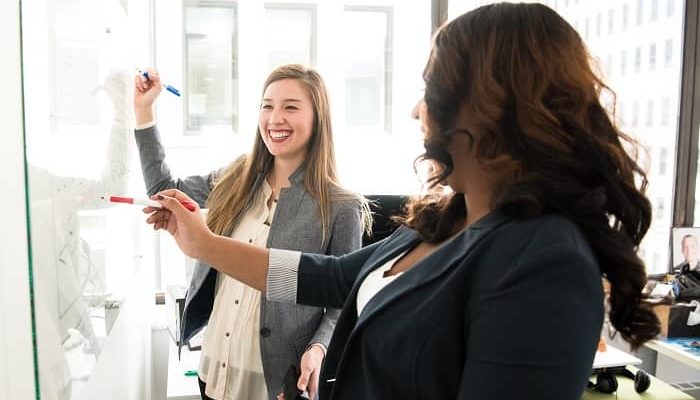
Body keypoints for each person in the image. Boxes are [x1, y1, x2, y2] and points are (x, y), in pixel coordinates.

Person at [144, 4, 660, 399]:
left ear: (490, 107)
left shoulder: (544, 260)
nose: (417, 111)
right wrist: (204, 245)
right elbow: (330, 277)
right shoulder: (445, 218)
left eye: (431, 91)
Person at [133, 64, 369, 400]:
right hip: (214, 368)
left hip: (276, 381)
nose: (275, 118)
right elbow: (163, 189)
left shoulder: (341, 206)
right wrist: (144, 110)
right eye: (267, 105)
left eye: (290, 107)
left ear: (318, 118)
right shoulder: (237, 177)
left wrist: (319, 347)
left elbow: (343, 300)